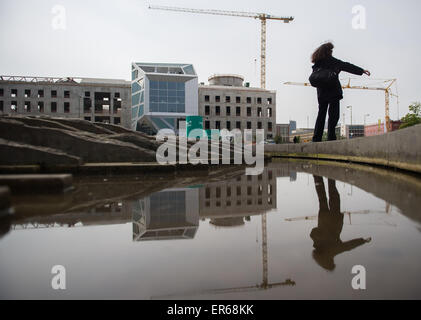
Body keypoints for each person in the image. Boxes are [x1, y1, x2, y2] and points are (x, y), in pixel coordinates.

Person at [311, 42, 370, 142]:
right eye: (331, 50)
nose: (332, 52)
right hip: (333, 92)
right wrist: (361, 71)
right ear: (328, 51)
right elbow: (346, 66)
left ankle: (316, 138)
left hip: (321, 93)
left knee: (321, 115)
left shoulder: (317, 63)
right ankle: (331, 138)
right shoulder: (332, 61)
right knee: (333, 116)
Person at [310, 175, 371, 270]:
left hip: (334, 218)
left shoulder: (333, 250)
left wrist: (362, 241)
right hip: (323, 218)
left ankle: (330, 176)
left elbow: (348, 246)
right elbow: (312, 233)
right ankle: (317, 176)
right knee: (322, 197)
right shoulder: (318, 246)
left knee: (333, 194)